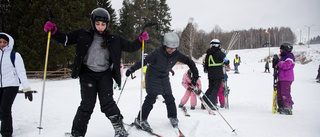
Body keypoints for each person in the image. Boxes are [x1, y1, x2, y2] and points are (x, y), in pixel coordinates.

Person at [43, 8, 149, 137]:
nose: (100, 27)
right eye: (97, 24)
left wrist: (140, 40)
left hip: (104, 74)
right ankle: (77, 133)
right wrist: (54, 32)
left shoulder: (114, 38)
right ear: (93, 23)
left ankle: (119, 128)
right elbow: (66, 39)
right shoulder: (83, 34)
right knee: (87, 105)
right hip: (87, 74)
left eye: (103, 24)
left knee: (107, 103)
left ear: (107, 24)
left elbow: (131, 47)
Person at [125, 32, 199, 132]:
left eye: (173, 48)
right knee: (151, 98)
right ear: (164, 45)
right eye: (169, 47)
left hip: (164, 77)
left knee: (169, 98)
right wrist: (132, 69)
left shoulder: (176, 54)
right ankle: (140, 119)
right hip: (152, 76)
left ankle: (173, 117)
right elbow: (144, 61)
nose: (171, 50)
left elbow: (189, 62)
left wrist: (195, 75)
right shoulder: (157, 52)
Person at [0, 32, 33, 137]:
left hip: (11, 85)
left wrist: (26, 88)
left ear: (9, 43)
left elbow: (21, 73)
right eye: (0, 42)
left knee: (5, 109)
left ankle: (6, 133)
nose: (2, 44)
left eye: (5, 42)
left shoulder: (14, 55)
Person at [203, 39, 229, 110]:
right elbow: (227, 61)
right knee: (215, 89)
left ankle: (204, 102)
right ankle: (212, 104)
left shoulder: (208, 53)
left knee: (210, 88)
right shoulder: (220, 53)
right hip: (218, 73)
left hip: (210, 73)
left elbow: (206, 64)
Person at [273, 42, 295, 115]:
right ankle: (282, 106)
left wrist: (278, 63)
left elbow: (286, 66)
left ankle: (288, 107)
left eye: (281, 49)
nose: (280, 50)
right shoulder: (282, 57)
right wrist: (275, 63)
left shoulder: (289, 56)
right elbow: (280, 66)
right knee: (279, 93)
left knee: (285, 93)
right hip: (281, 78)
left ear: (286, 49)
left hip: (286, 78)